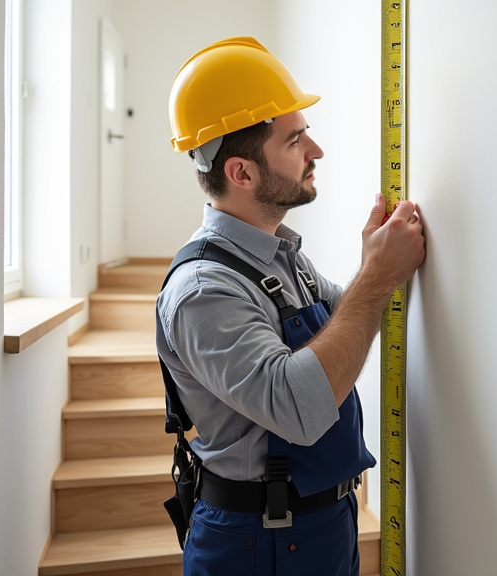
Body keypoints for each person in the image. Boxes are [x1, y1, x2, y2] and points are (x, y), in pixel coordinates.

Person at [156, 37, 425, 576]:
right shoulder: (204, 292)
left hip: (321, 524)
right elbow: (298, 408)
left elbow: (346, 312)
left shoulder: (280, 256)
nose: (316, 151)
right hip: (258, 544)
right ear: (242, 173)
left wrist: (376, 263)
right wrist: (377, 276)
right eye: (295, 140)